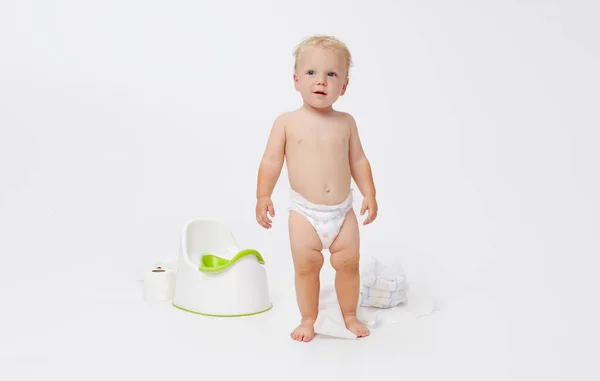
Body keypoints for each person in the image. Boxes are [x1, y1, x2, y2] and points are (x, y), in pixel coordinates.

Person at [255, 35, 378, 342]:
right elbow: (271, 162)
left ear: (344, 86)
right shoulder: (286, 122)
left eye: (331, 74)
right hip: (304, 213)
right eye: (311, 73)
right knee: (307, 267)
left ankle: (349, 314)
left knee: (349, 264)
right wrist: (262, 195)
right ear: (296, 80)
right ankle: (308, 319)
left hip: (342, 210)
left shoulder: (346, 123)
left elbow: (359, 161)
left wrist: (370, 193)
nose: (321, 81)